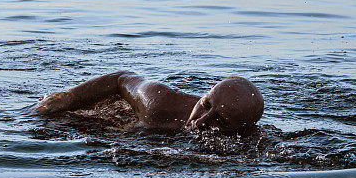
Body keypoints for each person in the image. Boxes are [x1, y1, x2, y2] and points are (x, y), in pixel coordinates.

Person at [32, 71, 264, 134]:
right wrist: (69, 97)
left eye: (220, 120)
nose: (201, 121)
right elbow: (121, 79)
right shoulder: (161, 103)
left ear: (244, 129)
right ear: (206, 94)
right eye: (205, 105)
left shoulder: (249, 141)